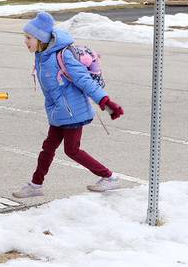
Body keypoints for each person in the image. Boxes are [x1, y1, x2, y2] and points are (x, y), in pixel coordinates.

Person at [13, 12, 125, 198]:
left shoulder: (62, 56)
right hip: (59, 112)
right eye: (25, 37)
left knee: (71, 150)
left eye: (28, 38)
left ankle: (109, 177)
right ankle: (36, 185)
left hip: (74, 112)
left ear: (40, 39)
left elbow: (84, 80)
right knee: (48, 147)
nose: (25, 41)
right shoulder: (42, 56)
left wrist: (105, 102)